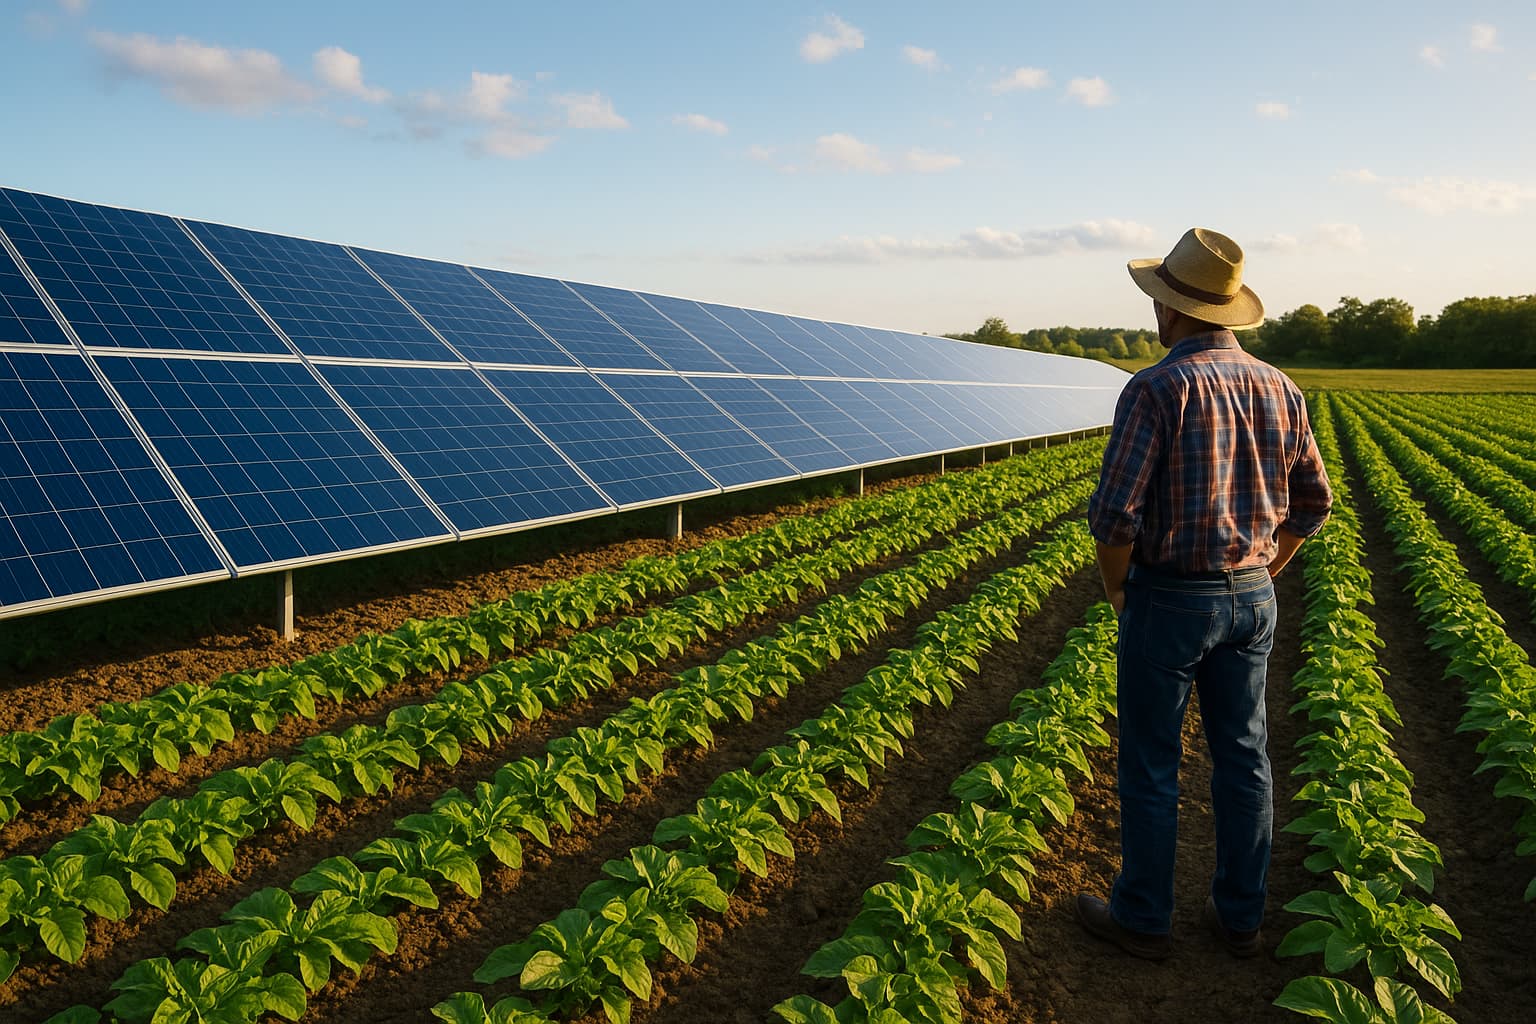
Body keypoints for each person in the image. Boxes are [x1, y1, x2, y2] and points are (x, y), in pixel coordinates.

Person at [1076, 227, 1333, 961]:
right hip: (1252, 596)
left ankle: (1145, 918)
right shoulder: (1281, 386)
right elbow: (1314, 503)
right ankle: (1241, 917)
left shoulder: (1156, 387)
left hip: (1171, 596)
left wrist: (1119, 587)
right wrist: (1266, 570)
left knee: (1153, 759)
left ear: (1171, 311)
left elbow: (1115, 513)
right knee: (1245, 753)